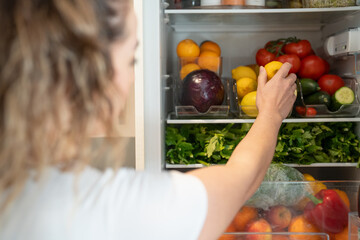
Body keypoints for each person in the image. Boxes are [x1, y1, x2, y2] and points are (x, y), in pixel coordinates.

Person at [0, 0, 297, 239]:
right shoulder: (111, 208)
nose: (131, 79)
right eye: (131, 59)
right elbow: (242, 179)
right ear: (92, 70)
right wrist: (270, 114)